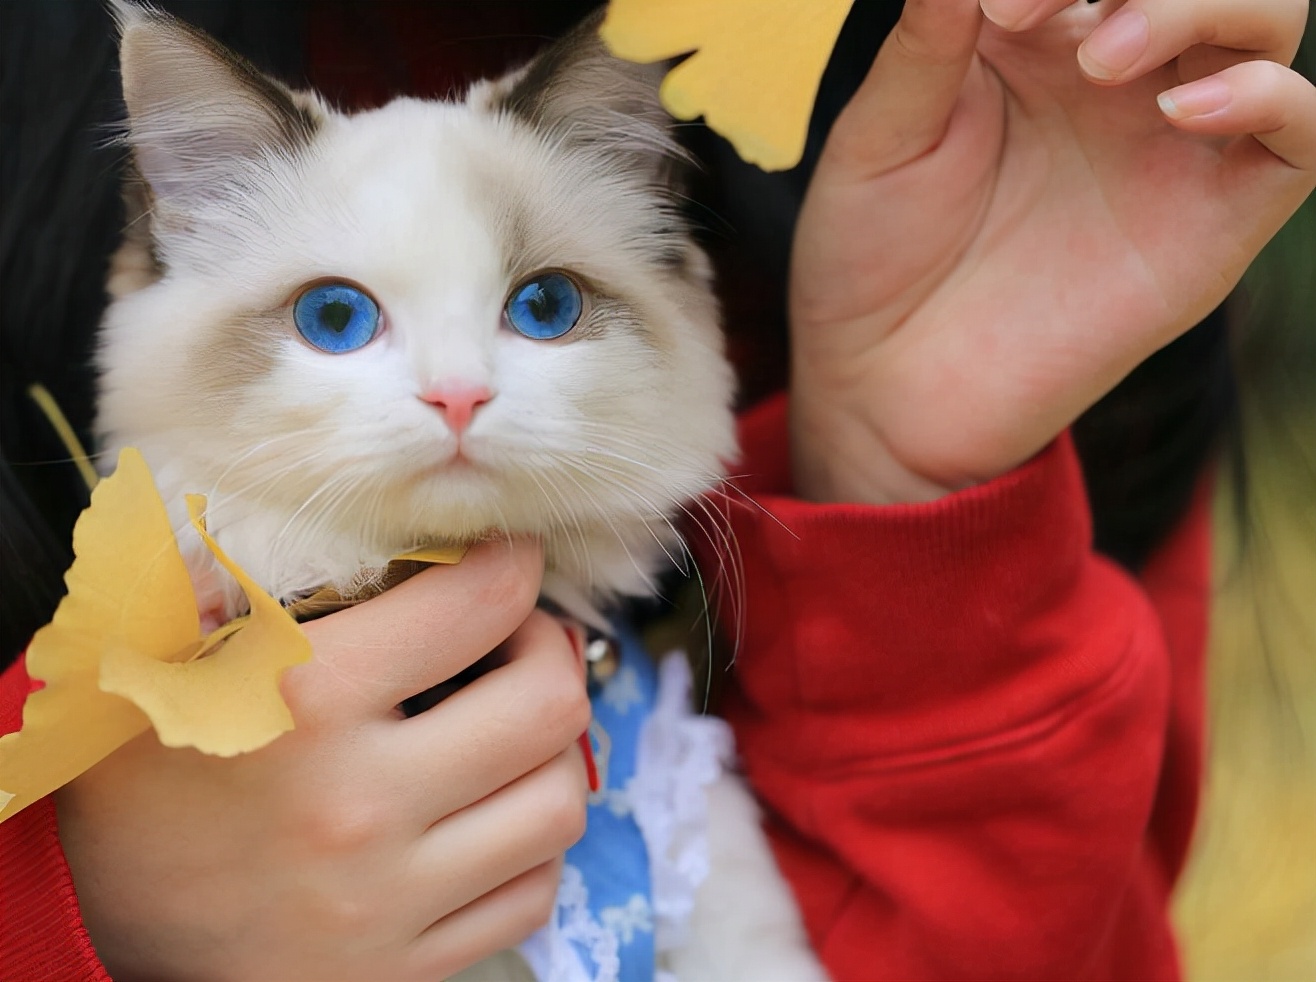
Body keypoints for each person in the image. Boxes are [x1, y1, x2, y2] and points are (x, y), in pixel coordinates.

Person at [3, 1, 1313, 980]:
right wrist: (73, 886)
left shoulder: (648, 745)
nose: (457, 389)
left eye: (544, 305)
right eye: (339, 317)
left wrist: (909, 495)